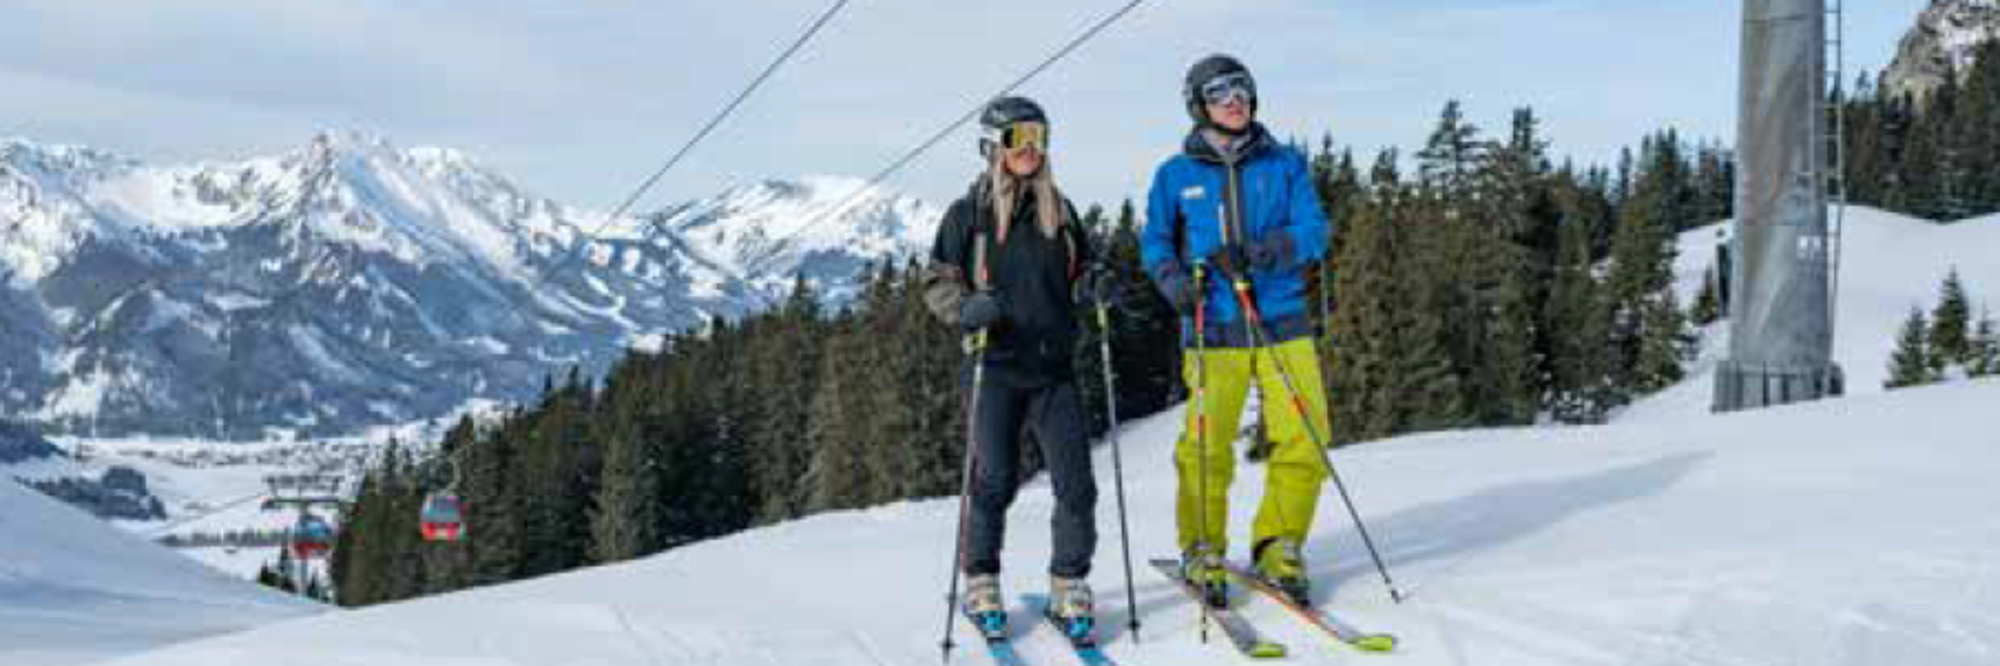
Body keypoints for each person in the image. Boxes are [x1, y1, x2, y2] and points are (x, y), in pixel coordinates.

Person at [1141, 54, 1334, 606]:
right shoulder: (1175, 175)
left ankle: (1279, 544)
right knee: (1206, 444)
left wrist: (1261, 252)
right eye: (1219, 93)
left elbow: (1314, 230)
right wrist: (1174, 282)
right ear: (1198, 105)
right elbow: (1155, 242)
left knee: (1305, 434)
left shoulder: (1285, 164)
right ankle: (1202, 547)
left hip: (1281, 321)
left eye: (1241, 89)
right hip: (1214, 325)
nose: (1234, 100)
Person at [923, 96, 1114, 637]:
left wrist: (1094, 283)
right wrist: (965, 308)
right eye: (1017, 138)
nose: (1030, 148)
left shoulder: (1061, 210)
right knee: (995, 479)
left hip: (1053, 369)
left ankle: (1068, 584)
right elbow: (936, 282)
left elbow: (1082, 268)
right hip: (995, 366)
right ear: (993, 146)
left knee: (1077, 486)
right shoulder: (968, 215)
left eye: (1038, 136)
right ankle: (981, 579)